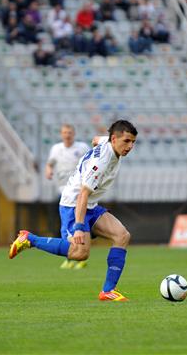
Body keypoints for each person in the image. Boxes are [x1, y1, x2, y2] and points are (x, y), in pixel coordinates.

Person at [10, 120, 137, 301]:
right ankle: (30, 239)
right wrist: (78, 226)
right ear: (114, 139)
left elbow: (95, 140)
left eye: (133, 142)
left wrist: (104, 140)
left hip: (90, 205)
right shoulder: (101, 163)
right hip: (74, 204)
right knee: (80, 253)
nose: (130, 146)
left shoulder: (108, 143)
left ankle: (108, 291)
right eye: (127, 141)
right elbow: (83, 194)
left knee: (122, 235)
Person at [45, 124, 91, 269]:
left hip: (79, 191)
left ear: (74, 133)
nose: (67, 135)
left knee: (74, 224)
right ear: (61, 134)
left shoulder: (82, 147)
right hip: (63, 191)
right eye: (65, 132)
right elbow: (50, 162)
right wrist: (48, 170)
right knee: (68, 226)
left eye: (70, 132)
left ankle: (79, 256)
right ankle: (73, 256)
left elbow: (91, 162)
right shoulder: (56, 149)